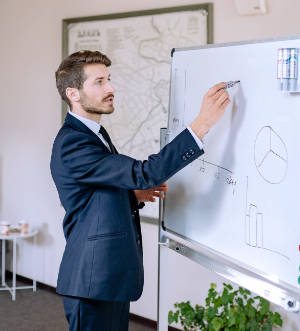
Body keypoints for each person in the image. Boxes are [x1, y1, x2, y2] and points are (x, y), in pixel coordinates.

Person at [50, 50, 230, 331]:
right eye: (99, 82)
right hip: (91, 281)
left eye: (108, 79)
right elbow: (143, 173)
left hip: (107, 278)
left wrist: (131, 195)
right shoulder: (74, 142)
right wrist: (202, 124)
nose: (111, 88)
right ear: (73, 93)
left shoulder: (93, 133)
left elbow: (90, 193)